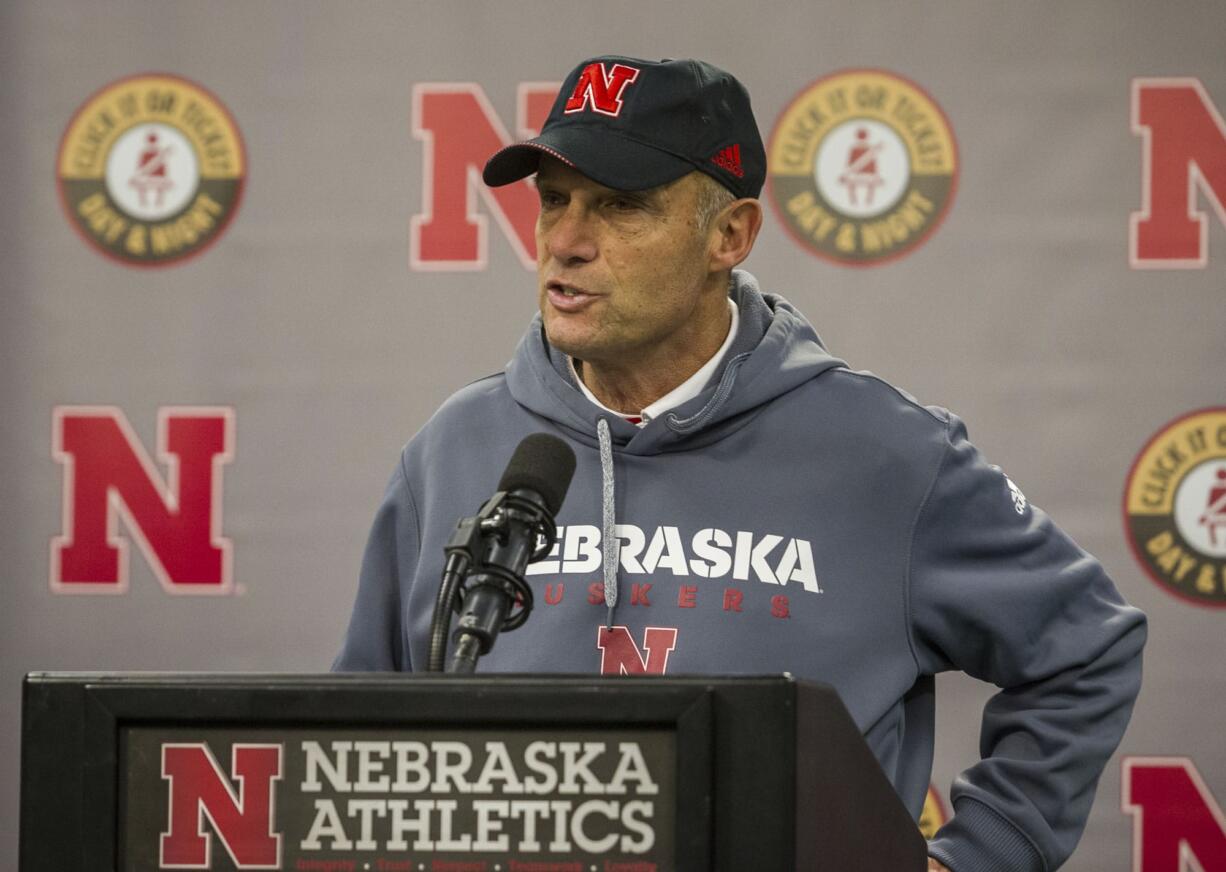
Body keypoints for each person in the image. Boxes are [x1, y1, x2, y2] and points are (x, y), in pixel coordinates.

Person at [334, 55, 1146, 872]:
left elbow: (1085, 650)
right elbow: (352, 743)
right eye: (554, 202)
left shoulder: (887, 456)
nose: (567, 243)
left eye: (620, 207)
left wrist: (977, 856)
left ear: (730, 235)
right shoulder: (455, 450)